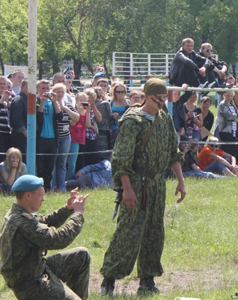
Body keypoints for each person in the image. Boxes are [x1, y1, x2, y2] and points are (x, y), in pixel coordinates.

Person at [99, 78, 187, 296]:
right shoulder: (133, 121)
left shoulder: (165, 119)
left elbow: (172, 152)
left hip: (157, 184)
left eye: (164, 98)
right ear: (148, 96)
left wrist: (181, 180)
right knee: (128, 232)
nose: (161, 102)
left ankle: (147, 281)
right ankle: (108, 281)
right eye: (158, 98)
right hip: (137, 183)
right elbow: (121, 159)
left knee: (154, 232)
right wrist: (126, 188)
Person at [0, 175, 90, 299]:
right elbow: (58, 240)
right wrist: (78, 214)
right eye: (41, 195)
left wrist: (68, 209)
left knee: (82, 256)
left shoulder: (16, 213)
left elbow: (44, 221)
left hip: (36, 270)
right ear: (28, 195)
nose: (43, 199)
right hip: (31, 287)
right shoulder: (23, 223)